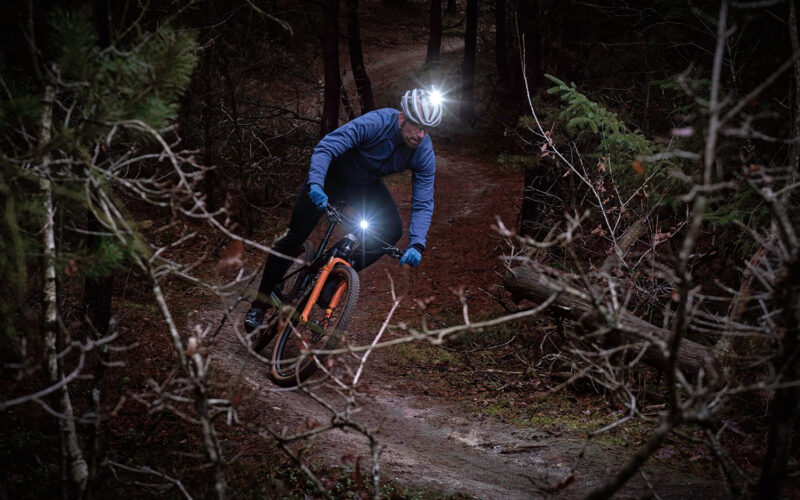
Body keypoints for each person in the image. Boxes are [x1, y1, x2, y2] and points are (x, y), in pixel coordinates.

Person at [244, 88, 443, 333]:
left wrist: (417, 243)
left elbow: (423, 200)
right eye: (418, 127)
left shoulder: (423, 151)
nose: (421, 135)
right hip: (331, 177)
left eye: (427, 129)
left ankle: (333, 278)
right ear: (403, 117)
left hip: (364, 186)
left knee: (391, 230)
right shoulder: (377, 122)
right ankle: (259, 305)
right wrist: (316, 184)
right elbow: (327, 147)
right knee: (294, 236)